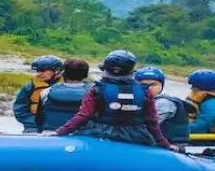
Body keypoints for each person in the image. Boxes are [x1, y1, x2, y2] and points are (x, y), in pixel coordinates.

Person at [45, 49, 179, 152]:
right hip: (135, 136)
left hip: (99, 134)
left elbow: (83, 116)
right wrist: (165, 144)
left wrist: (58, 132)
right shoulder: (145, 91)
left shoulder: (96, 89)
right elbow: (152, 122)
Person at [134, 65, 191, 148]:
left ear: (161, 85)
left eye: (153, 84)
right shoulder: (143, 100)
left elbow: (149, 125)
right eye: (143, 84)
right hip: (157, 144)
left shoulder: (164, 102)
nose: (149, 88)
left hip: (172, 146)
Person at [35, 58, 91, 133]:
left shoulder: (47, 92)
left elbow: (39, 119)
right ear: (86, 74)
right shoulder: (94, 92)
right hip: (82, 135)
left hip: (50, 133)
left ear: (64, 73)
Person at [13, 55, 64, 133]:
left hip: (62, 126)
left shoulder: (67, 86)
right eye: (38, 71)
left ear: (56, 70)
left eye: (42, 71)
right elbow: (20, 111)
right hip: (34, 126)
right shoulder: (29, 88)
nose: (38, 74)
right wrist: (39, 123)